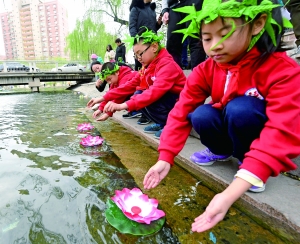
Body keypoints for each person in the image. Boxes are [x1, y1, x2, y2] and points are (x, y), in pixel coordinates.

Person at [143, 0, 300, 233]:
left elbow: (281, 130)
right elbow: (180, 111)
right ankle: (221, 150)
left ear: (257, 24)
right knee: (200, 114)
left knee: (242, 109)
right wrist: (165, 157)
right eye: (207, 38)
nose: (214, 46)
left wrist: (228, 195)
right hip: (227, 120)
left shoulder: (281, 69)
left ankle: (250, 166)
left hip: (254, 127)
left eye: (224, 34)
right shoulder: (206, 69)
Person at [87, 27, 186, 139]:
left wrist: (122, 106)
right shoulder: (146, 67)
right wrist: (102, 99)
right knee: (138, 95)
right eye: (136, 55)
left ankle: (173, 126)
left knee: (142, 95)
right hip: (166, 100)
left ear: (154, 47)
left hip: (179, 102)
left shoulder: (167, 65)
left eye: (140, 53)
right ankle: (163, 123)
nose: (138, 58)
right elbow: (129, 85)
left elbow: (155, 91)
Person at [160, 0, 206, 69]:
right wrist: (165, 10)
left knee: (196, 41)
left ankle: (198, 76)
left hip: (194, 3)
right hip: (174, 6)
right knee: (172, 43)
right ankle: (174, 76)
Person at [129, 0, 162, 71]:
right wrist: (136, 42)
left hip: (152, 42)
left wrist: (158, 23)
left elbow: (153, 27)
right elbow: (132, 27)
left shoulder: (152, 9)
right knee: (141, 68)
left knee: (155, 65)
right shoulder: (135, 9)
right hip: (141, 43)